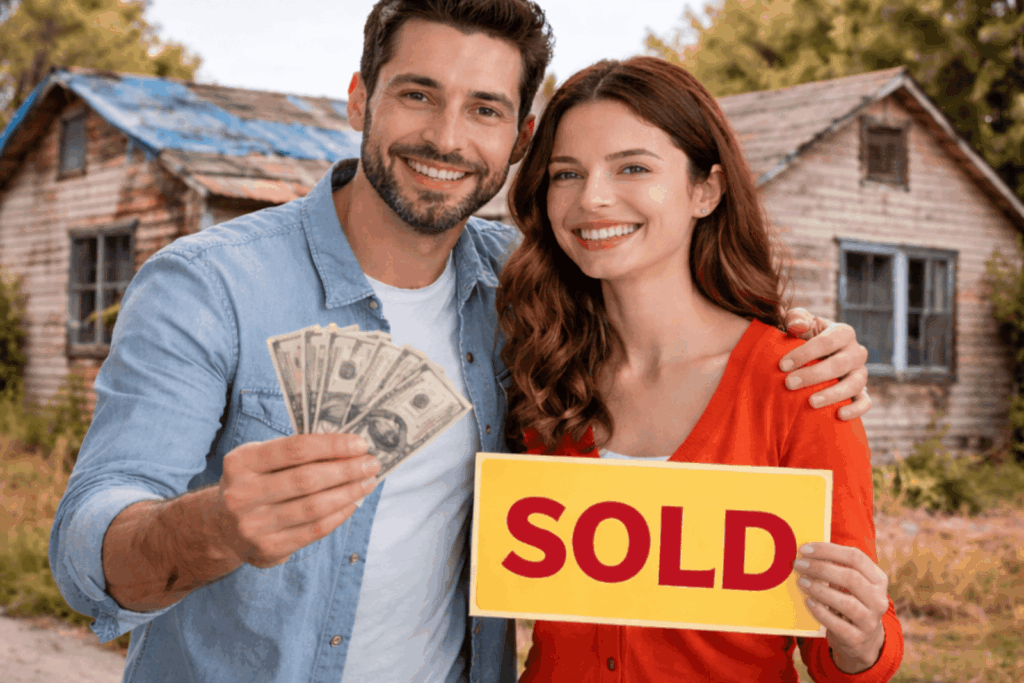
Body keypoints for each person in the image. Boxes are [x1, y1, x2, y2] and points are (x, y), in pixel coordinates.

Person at [48, 3, 872, 682]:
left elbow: (657, 288)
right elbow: (89, 541)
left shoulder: (531, 301)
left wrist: (810, 340)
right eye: (416, 94)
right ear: (358, 100)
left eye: (484, 108)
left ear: (518, 138)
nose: (446, 136)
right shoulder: (209, 284)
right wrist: (216, 526)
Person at [497, 56, 903, 682]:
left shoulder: (802, 382)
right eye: (566, 174)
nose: (592, 198)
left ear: (704, 190)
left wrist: (863, 637)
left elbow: (843, 652)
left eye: (632, 167)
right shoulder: (539, 372)